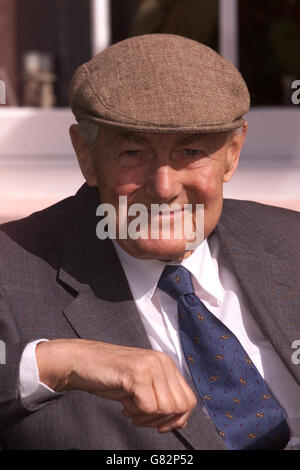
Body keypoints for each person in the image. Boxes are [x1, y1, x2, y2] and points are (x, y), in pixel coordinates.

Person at [0, 34, 299, 450]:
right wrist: (59, 363)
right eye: (132, 153)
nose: (163, 188)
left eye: (191, 151)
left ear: (232, 153)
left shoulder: (291, 242)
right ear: (85, 154)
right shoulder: (11, 267)